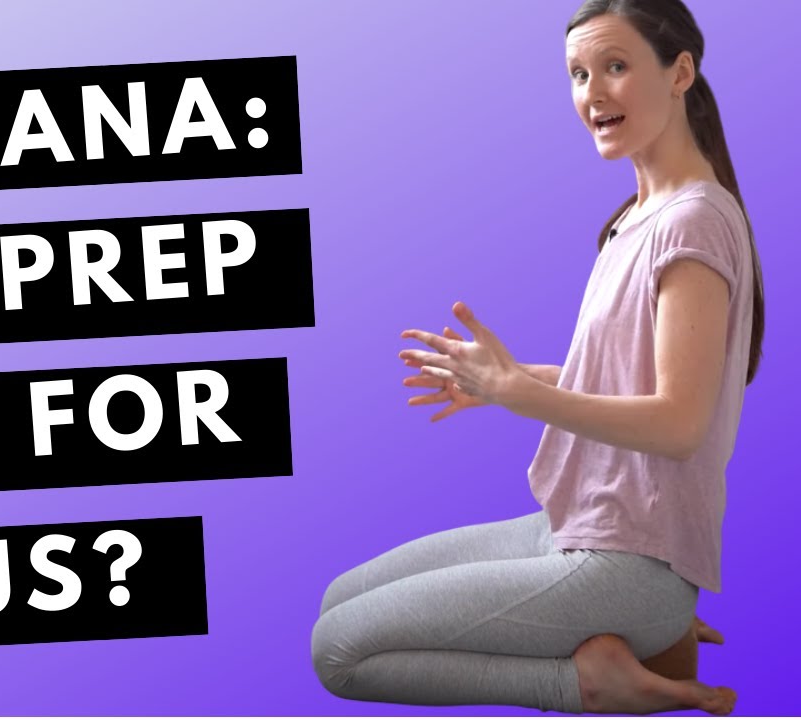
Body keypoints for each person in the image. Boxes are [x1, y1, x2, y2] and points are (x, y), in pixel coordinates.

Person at [310, 0, 766, 714]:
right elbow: (623, 381)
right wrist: (504, 381)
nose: (594, 92)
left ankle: (593, 680)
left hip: (628, 557)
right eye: (580, 74)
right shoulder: (636, 217)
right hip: (578, 522)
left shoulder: (694, 224)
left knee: (338, 652)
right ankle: (651, 625)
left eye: (617, 66)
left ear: (681, 73)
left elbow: (679, 422)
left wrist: (521, 394)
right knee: (339, 599)